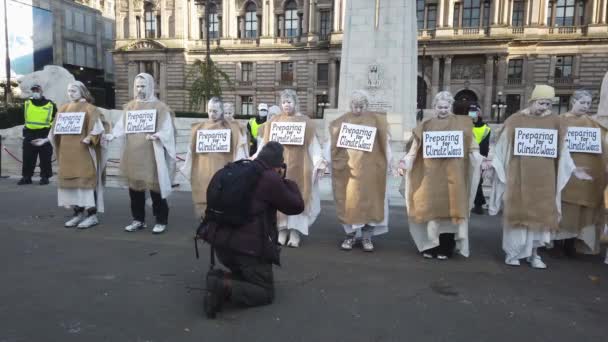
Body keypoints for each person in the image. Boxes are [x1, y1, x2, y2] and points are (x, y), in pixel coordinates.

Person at [202, 141, 305, 318]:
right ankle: (221, 285)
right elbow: (296, 206)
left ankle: (221, 277)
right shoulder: (270, 178)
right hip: (248, 251)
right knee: (264, 292)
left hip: (220, 243)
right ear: (277, 164)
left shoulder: (237, 168)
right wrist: (286, 181)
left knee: (246, 274)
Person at [489, 85, 579, 269]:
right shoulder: (515, 120)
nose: (544, 107)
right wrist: (493, 164)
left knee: (540, 217)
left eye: (547, 103)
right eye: (540, 102)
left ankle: (535, 254)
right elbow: (502, 146)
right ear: (531, 101)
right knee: (518, 216)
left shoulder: (556, 121)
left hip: (545, 180)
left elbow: (563, 150)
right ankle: (513, 253)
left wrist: (573, 168)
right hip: (519, 177)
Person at [400, 91, 482, 260]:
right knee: (431, 211)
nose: (443, 110)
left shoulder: (462, 124)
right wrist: (404, 162)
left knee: (451, 211)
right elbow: (414, 149)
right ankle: (430, 245)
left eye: (446, 107)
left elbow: (473, 147)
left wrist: (482, 160)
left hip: (454, 177)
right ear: (434, 107)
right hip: (431, 177)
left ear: (450, 107)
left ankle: (446, 247)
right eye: (439, 107)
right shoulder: (426, 124)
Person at [104, 73, 176, 234]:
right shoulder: (130, 107)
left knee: (155, 189)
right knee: (134, 189)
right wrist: (112, 135)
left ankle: (161, 219)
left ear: (150, 86)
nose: (139, 89)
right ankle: (138, 219)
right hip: (133, 154)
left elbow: (167, 129)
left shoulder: (160, 107)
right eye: (137, 86)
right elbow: (121, 126)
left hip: (152, 155)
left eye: (143, 86)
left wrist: (158, 135)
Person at [325, 90, 392, 252]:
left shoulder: (376, 121)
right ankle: (351, 235)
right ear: (351, 105)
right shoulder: (341, 122)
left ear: (366, 106)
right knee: (349, 202)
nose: (358, 109)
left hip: (371, 170)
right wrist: (324, 160)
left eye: (361, 106)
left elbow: (385, 143)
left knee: (371, 201)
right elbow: (331, 143)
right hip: (349, 171)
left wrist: (389, 161)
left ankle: (367, 237)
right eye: (355, 106)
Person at [258, 89, 325, 247]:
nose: (286, 105)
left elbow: (313, 145)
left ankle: (295, 232)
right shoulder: (274, 122)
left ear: (295, 102)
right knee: (279, 198)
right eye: (283, 102)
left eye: (289, 102)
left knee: (297, 197)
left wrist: (319, 160)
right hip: (279, 170)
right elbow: (265, 144)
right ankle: (281, 231)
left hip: (300, 168)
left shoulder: (305, 122)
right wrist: (256, 157)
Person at [554, 90, 607, 257]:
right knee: (561, 208)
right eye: (582, 102)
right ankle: (555, 243)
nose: (585, 106)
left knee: (578, 211)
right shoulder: (559, 121)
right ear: (573, 101)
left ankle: (571, 243)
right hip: (564, 174)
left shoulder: (594, 125)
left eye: (588, 104)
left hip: (586, 176)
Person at [48, 82, 107, 228]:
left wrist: (90, 138)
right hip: (67, 154)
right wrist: (45, 140)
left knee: (85, 185)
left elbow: (98, 128)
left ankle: (92, 216)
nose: (71, 93)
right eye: (69, 90)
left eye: (74, 90)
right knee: (72, 186)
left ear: (82, 91)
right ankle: (78, 213)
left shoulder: (90, 109)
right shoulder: (63, 109)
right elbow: (54, 130)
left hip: (83, 153)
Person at [182, 98, 248, 218]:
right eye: (210, 111)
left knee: (223, 201)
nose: (212, 114)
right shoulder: (199, 128)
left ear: (221, 111)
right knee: (204, 200)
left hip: (222, 172)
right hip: (203, 171)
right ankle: (206, 228)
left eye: (215, 111)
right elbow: (191, 150)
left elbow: (239, 147)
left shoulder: (231, 128)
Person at [19, 84, 57, 185]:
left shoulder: (50, 104)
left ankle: (45, 177)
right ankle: (26, 177)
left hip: (44, 133)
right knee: (27, 157)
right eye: (34, 90)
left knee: (45, 158)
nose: (35, 92)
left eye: (37, 90)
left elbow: (56, 118)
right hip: (30, 133)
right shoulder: (27, 103)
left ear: (41, 91)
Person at [470, 105, 491, 214]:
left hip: (479, 156)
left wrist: (483, 159)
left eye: (475, 111)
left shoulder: (486, 128)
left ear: (479, 113)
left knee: (478, 181)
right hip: (468, 156)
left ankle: (479, 204)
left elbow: (485, 145)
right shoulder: (466, 125)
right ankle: (477, 204)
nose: (472, 113)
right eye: (470, 111)